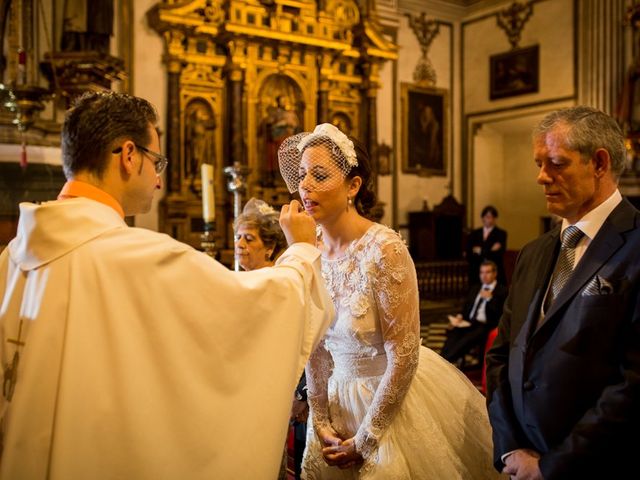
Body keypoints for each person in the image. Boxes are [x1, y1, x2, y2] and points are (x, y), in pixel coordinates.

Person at [0, 91, 335, 480]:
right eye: (156, 161)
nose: (159, 177)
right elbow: (259, 311)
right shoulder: (141, 258)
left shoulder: (14, 255)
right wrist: (299, 251)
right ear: (128, 156)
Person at [278, 123, 498, 479]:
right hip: (334, 401)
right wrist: (321, 420)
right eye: (302, 175)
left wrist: (366, 438)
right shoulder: (309, 249)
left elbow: (404, 354)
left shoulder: (384, 250)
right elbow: (315, 348)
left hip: (387, 402)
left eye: (319, 175)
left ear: (353, 185)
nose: (304, 186)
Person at [486, 106, 640, 479]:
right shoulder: (534, 252)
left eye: (556, 163)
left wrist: (551, 467)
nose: (541, 177)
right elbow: (501, 353)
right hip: (519, 461)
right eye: (539, 163)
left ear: (599, 163)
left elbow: (633, 380)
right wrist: (509, 446)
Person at [441, 260, 508, 367]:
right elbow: (466, 307)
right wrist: (460, 316)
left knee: (468, 338)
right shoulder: (475, 288)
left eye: (488, 272)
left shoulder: (502, 291)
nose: (484, 276)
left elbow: (501, 313)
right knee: (454, 331)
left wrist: (490, 299)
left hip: (486, 325)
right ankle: (442, 358)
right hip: (468, 322)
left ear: (495, 274)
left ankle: (446, 362)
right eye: (482, 272)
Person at [234, 197, 287, 271]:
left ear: (270, 248)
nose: (240, 244)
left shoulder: (273, 279)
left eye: (249, 239)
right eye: (238, 238)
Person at [466, 205, 508, 285]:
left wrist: (480, 250)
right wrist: (490, 250)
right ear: (482, 218)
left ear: (495, 219)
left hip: (494, 272)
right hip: (476, 272)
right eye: (487, 216)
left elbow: (499, 254)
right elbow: (469, 253)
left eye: (492, 217)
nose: (489, 219)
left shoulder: (501, 234)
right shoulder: (474, 233)